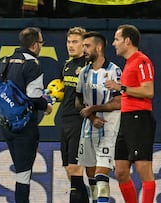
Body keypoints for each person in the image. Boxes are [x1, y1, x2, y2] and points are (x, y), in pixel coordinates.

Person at [0, 27, 53, 203]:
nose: (41, 46)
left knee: (20, 171)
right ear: (34, 45)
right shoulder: (32, 64)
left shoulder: (3, 61)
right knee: (24, 174)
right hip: (25, 127)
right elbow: (33, 97)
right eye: (41, 43)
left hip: (6, 126)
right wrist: (46, 105)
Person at [105, 24, 156, 203]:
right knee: (120, 171)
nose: (113, 43)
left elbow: (148, 91)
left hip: (139, 118)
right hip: (125, 120)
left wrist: (122, 88)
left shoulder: (142, 61)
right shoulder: (129, 63)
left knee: (143, 168)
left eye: (117, 39)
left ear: (127, 41)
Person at [75, 31, 122, 203]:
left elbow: (119, 103)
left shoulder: (114, 71)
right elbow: (78, 101)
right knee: (91, 178)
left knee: (102, 175)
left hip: (108, 127)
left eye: (87, 46)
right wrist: (92, 117)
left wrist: (94, 108)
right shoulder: (83, 72)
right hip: (88, 128)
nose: (84, 50)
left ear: (99, 47)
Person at [58, 26, 90, 203]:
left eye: (75, 42)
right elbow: (60, 89)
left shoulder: (89, 66)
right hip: (65, 121)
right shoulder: (66, 65)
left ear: (84, 44)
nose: (71, 45)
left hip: (81, 123)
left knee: (75, 171)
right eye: (69, 42)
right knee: (70, 172)